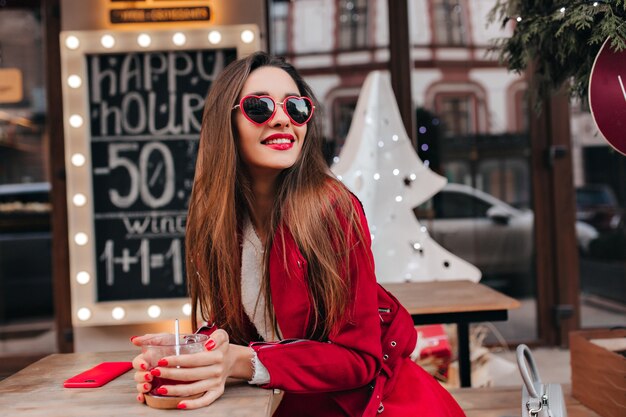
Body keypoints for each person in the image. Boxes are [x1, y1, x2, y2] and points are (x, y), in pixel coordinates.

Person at [131, 51, 465, 417]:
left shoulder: (332, 208)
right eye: (259, 107)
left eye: (296, 108)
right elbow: (234, 330)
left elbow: (359, 358)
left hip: (371, 407)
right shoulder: (215, 217)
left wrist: (240, 361)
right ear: (224, 122)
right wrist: (194, 356)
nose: (281, 120)